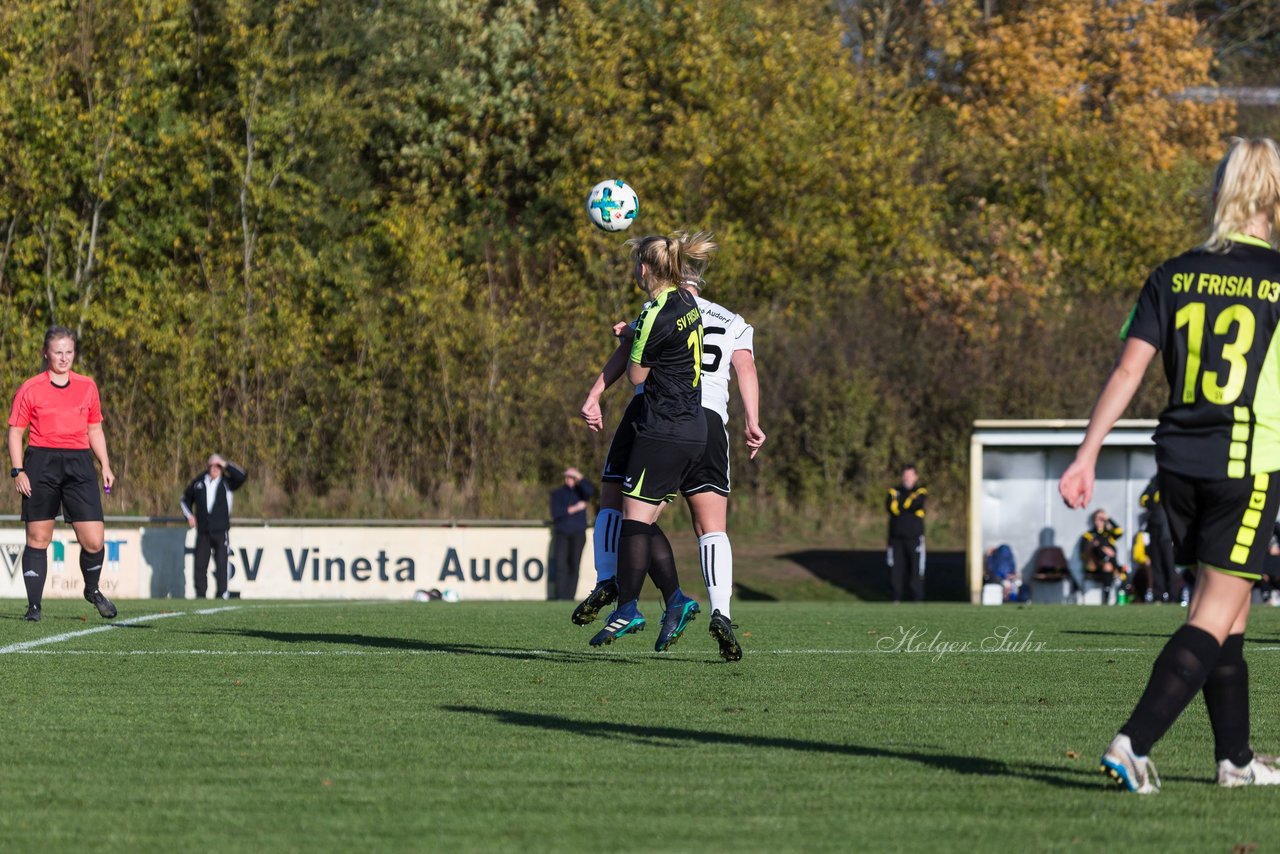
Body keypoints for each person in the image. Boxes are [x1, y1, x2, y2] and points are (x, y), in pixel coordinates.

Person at [1059, 137, 1280, 793]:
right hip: (1245, 463)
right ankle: (1133, 743)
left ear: (1220, 193)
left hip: (1179, 463)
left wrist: (1087, 453)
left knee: (1228, 613)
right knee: (1212, 616)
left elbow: (1130, 368)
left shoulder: (1173, 273)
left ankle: (1235, 760)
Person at [576, 271, 766, 661]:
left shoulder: (660, 310)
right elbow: (745, 368)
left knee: (623, 502)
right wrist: (752, 421)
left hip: (659, 415)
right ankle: (721, 612)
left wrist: (596, 391)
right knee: (710, 527)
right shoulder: (732, 320)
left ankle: (610, 582)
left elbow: (632, 362)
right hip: (711, 422)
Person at [580, 231, 713, 652]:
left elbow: (637, 375)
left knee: (633, 523)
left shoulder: (656, 310)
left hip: (663, 429)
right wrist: (638, 333)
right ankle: (675, 600)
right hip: (691, 427)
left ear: (643, 268)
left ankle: (628, 607)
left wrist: (631, 338)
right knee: (642, 519)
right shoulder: (686, 300)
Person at [7, 325, 117, 622]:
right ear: (46, 353)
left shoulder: (87, 386)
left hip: (80, 464)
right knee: (38, 537)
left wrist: (105, 464)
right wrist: (18, 470)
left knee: (94, 540)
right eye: (58, 352)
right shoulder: (31, 387)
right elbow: (16, 432)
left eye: (69, 351)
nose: (64, 357)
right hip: (41, 462)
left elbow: (95, 428)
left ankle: (92, 590)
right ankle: (34, 607)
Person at [180, 453, 248, 599]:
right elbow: (184, 499)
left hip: (220, 530)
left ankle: (222, 593)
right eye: (211, 465)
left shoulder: (227, 482)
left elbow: (242, 476)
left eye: (217, 466)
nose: (214, 468)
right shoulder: (199, 482)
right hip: (203, 531)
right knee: (200, 565)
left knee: (222, 563)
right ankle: (200, 595)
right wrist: (190, 516)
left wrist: (225, 464)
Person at [549, 466, 595, 600]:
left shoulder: (582, 492)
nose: (570, 479)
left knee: (574, 565)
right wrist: (574, 509)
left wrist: (580, 477)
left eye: (573, 477)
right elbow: (556, 513)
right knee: (560, 565)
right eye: (568, 476)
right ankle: (560, 597)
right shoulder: (558, 493)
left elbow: (591, 491)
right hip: (562, 533)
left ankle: (569, 597)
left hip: (578, 533)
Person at [885, 464, 927, 602]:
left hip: (914, 537)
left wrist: (902, 505)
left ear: (915, 477)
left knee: (915, 569)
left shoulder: (920, 491)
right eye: (905, 475)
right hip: (896, 538)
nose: (907, 478)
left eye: (910, 475)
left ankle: (917, 598)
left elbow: (915, 504)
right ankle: (896, 598)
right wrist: (906, 505)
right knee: (895, 569)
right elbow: (892, 508)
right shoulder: (893, 491)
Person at [1140, 476, 1179, 603]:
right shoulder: (1154, 481)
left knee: (1170, 565)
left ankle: (1173, 596)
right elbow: (1143, 500)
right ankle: (1158, 596)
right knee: (1156, 565)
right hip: (1154, 530)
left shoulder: (1174, 478)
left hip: (1169, 532)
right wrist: (1155, 502)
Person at [1079, 509, 1125, 603]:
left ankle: (1120, 598)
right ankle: (1107, 598)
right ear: (1093, 520)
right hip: (1095, 564)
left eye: (1102, 519)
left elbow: (1120, 531)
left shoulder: (1108, 534)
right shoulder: (1089, 535)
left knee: (1115, 568)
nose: (1100, 521)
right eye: (1098, 519)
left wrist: (1108, 518)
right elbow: (1083, 552)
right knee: (1105, 561)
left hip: (1110, 564)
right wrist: (1102, 548)